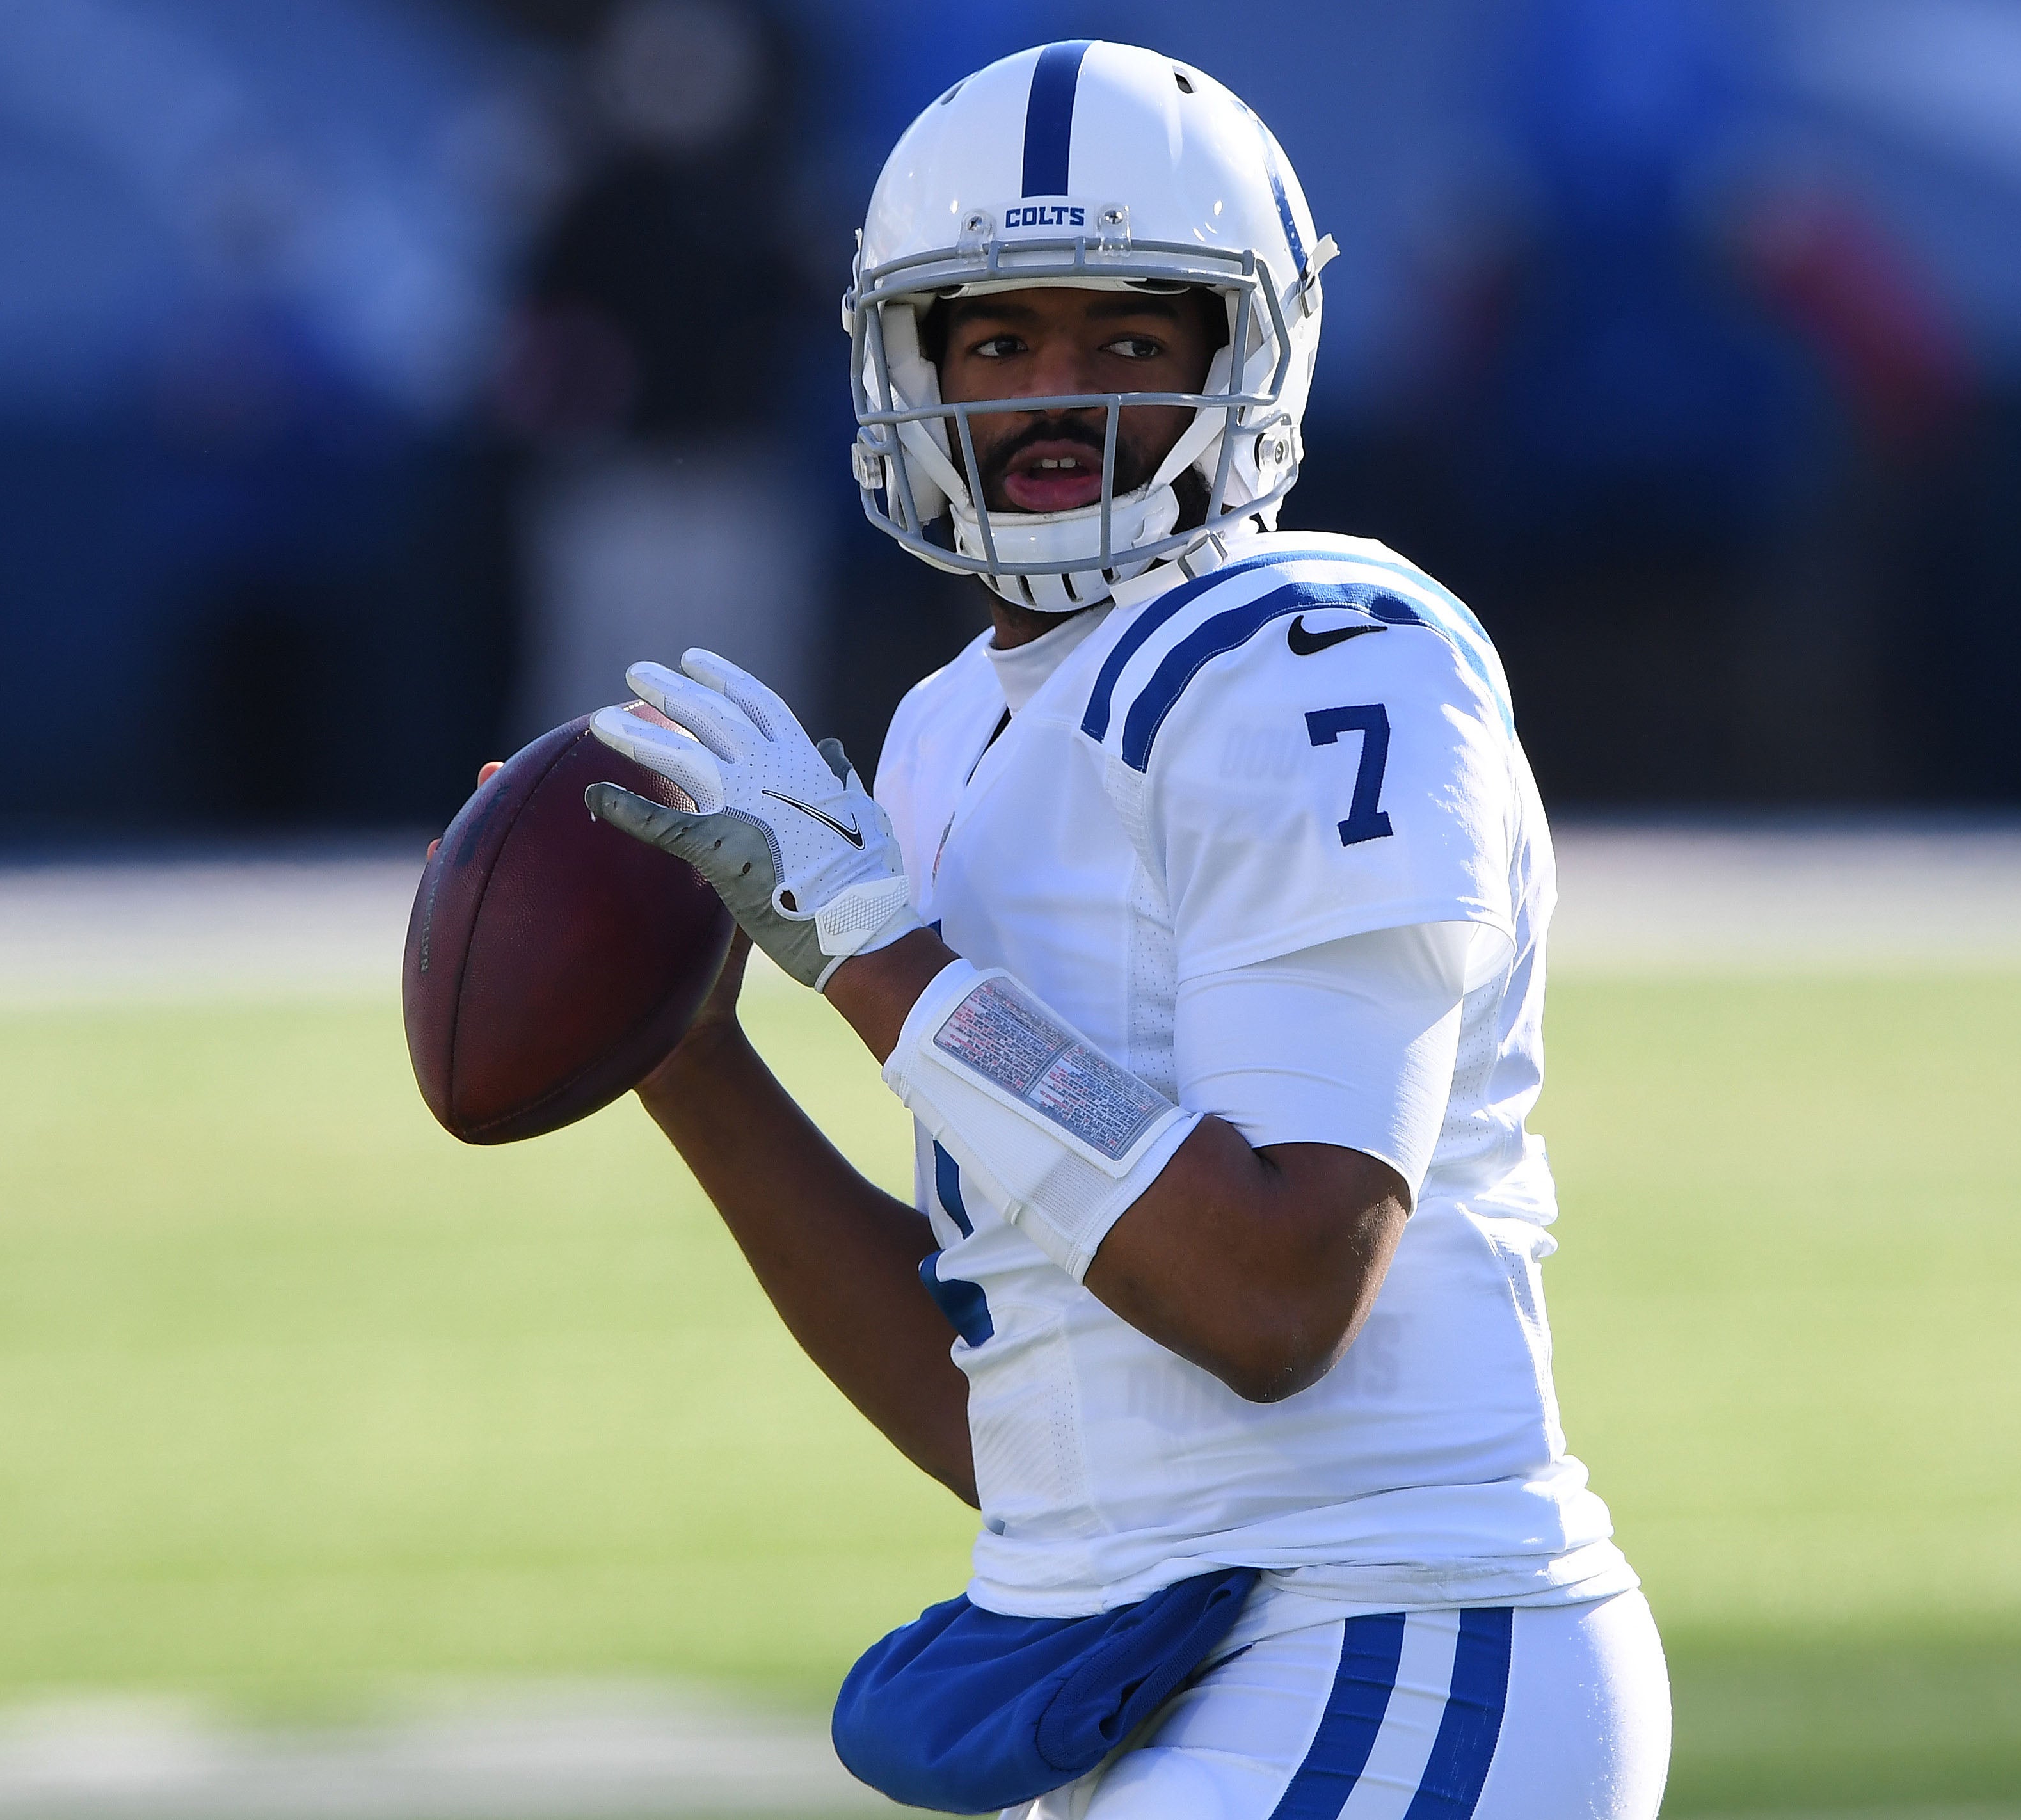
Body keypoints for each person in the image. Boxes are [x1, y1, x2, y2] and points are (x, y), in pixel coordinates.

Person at [582, 41, 1672, 1818]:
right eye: (998, 340)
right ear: (906, 361)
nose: (1052, 398)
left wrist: (872, 949)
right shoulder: (948, 727)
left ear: (1243, 358)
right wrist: (687, 1055)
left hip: (1394, 1634)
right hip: (1138, 1650)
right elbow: (1028, 1426)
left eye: (1126, 343)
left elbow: (1275, 1291)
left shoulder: (1318, 656)